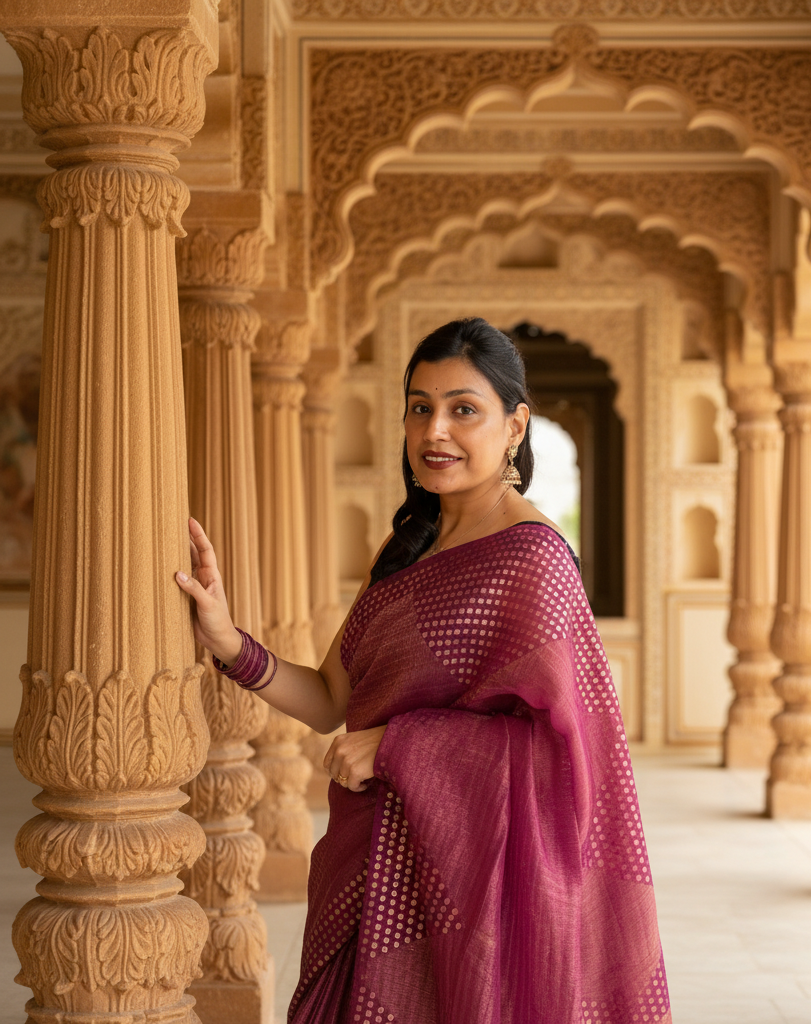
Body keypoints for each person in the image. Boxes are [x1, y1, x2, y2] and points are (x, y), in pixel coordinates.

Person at [176, 317, 671, 1024]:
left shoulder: (533, 560)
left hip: (472, 892)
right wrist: (229, 642)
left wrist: (399, 744)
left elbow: (572, 762)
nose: (435, 430)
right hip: (366, 860)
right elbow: (325, 701)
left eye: (463, 409)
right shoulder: (406, 543)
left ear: (515, 426)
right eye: (420, 407)